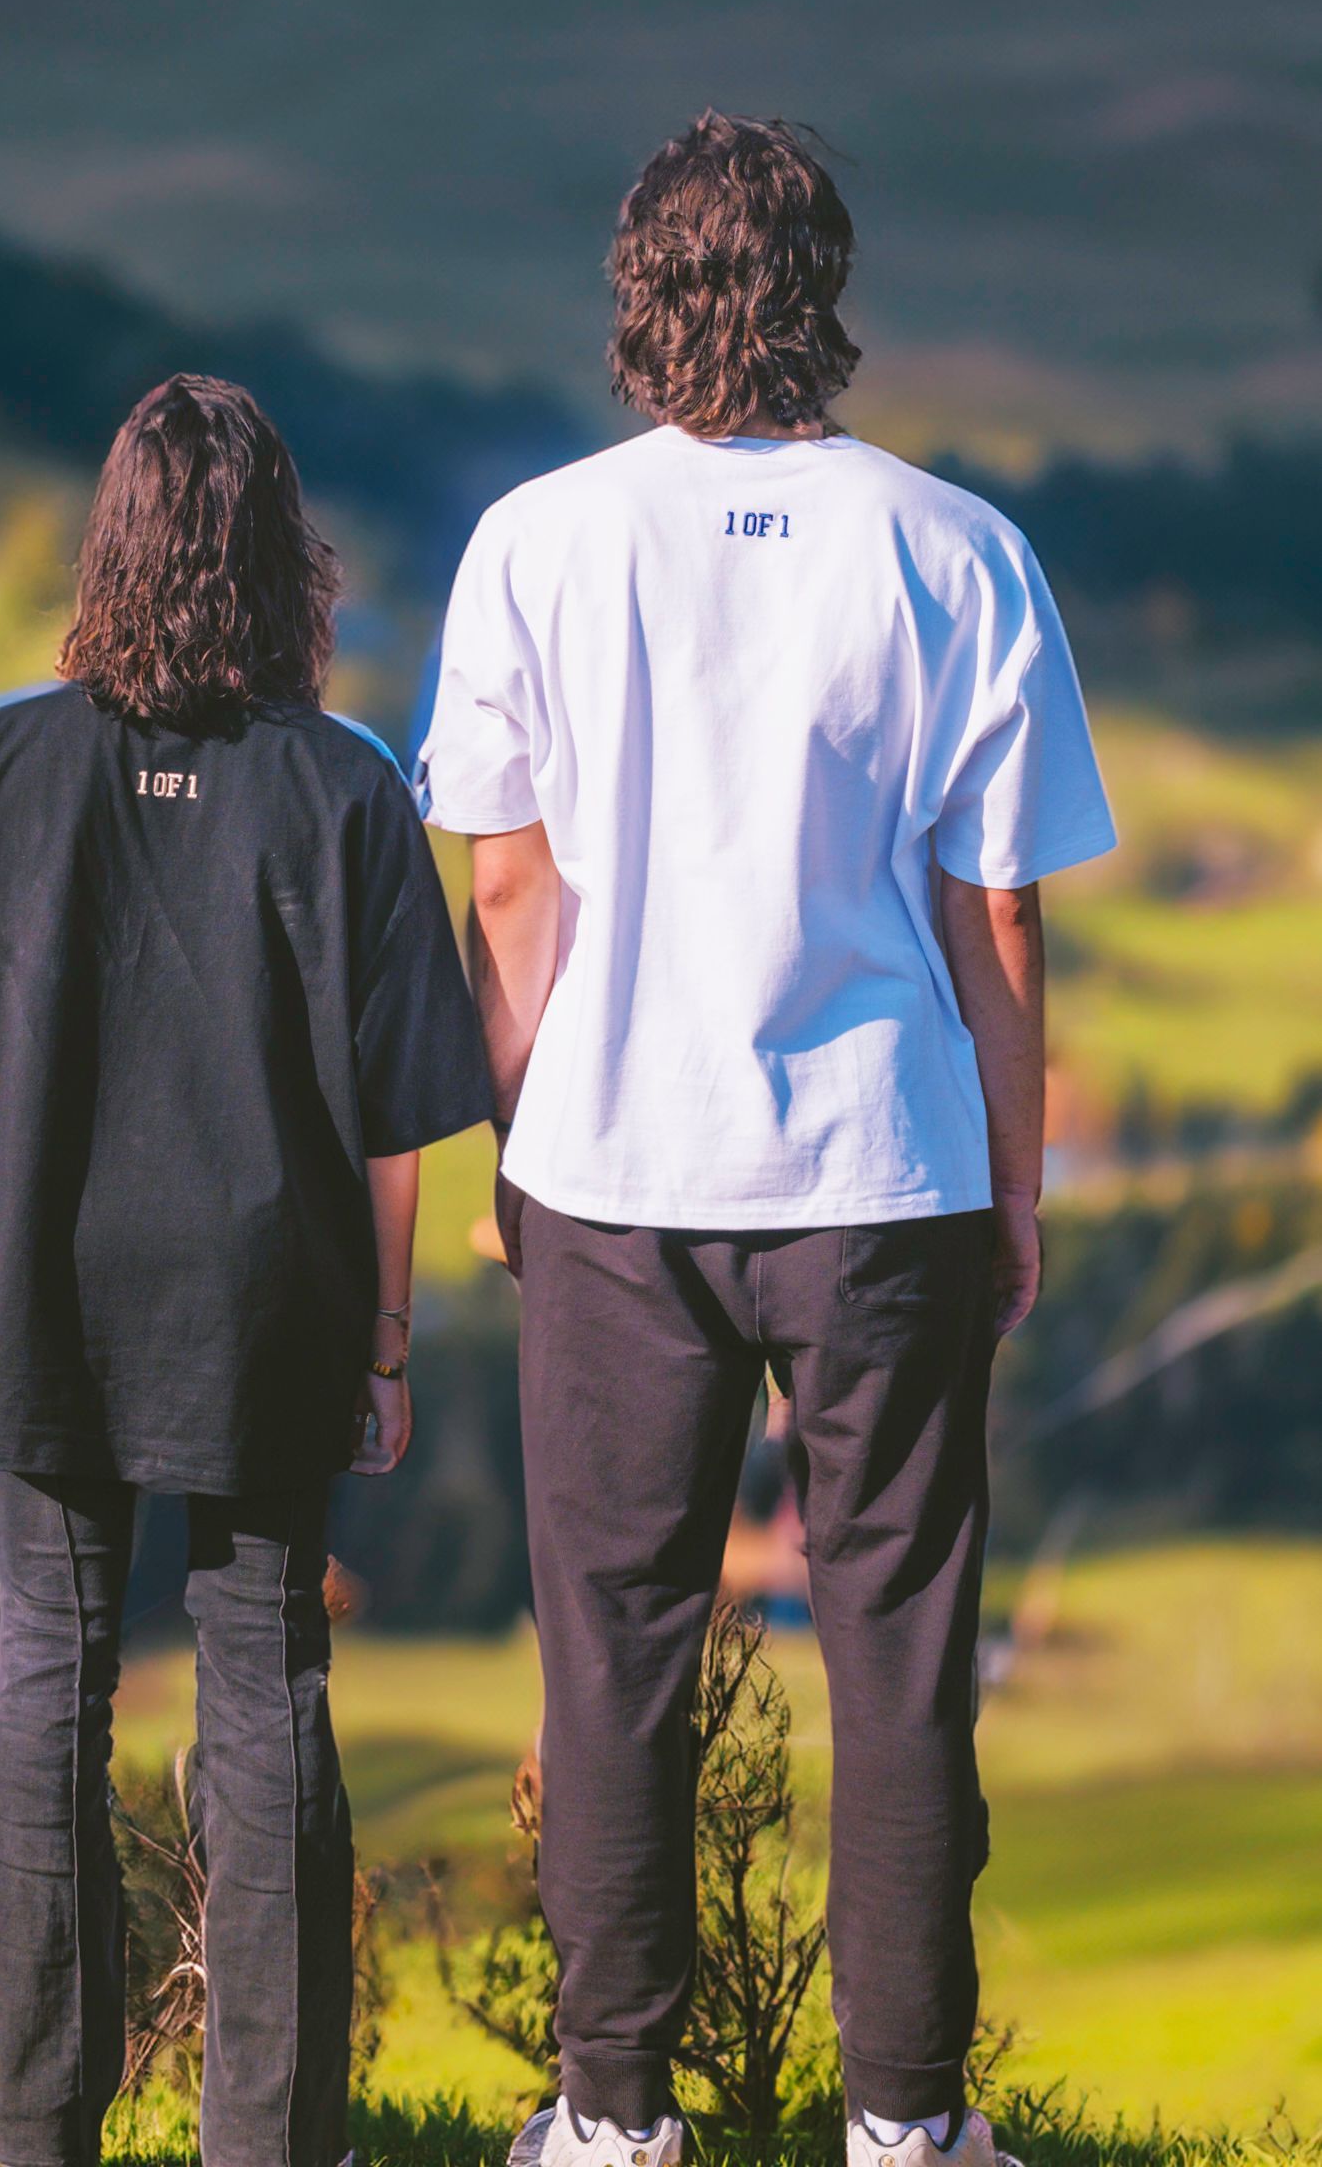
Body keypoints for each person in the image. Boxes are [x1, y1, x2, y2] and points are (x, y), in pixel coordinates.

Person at [416, 114, 1117, 2167]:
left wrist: (514, 1144)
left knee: (612, 1650)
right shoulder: (959, 549)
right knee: (902, 1651)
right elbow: (998, 912)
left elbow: (510, 890)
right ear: (822, 296)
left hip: (611, 1171)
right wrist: (1015, 1181)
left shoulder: (534, 541)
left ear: (642, 294)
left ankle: (610, 2118)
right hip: (886, 1171)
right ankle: (908, 2124)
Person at [0, 374, 491, 2167]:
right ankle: (272, 2143)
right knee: (267, 1685)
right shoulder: (346, 789)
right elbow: (394, 1130)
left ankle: (30, 2130)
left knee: (44, 1679)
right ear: (287, 560)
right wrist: (383, 1346)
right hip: (271, 1297)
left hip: (40, 1277)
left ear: (111, 549)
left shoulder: (3, 766)